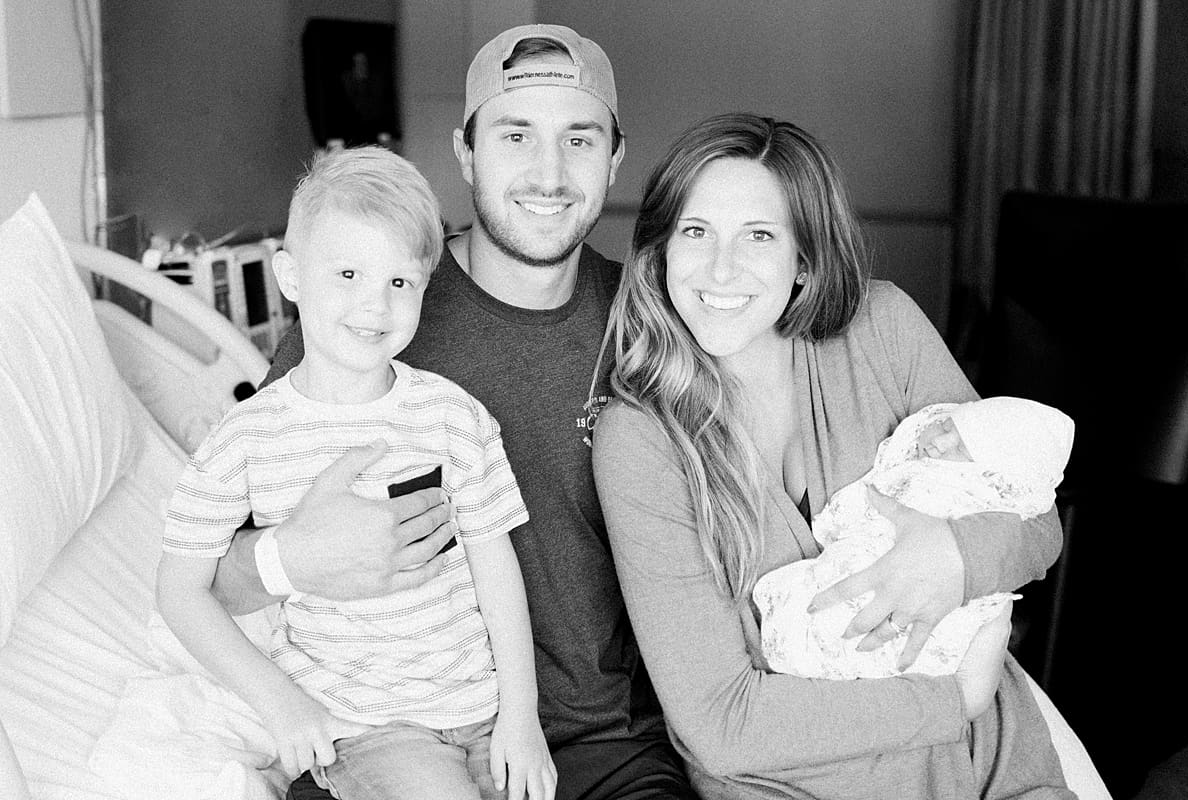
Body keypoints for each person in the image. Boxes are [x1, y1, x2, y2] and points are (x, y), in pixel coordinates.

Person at [211, 24, 699, 800]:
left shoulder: (650, 324)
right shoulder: (376, 312)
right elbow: (217, 581)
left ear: (614, 159)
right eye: (515, 136)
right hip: (387, 741)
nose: (549, 172)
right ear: (466, 155)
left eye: (578, 138)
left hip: (603, 747)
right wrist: (291, 556)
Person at [592, 113, 1075, 798]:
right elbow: (719, 726)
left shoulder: (883, 328)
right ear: (661, 251)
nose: (720, 268)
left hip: (987, 765)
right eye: (695, 233)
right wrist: (951, 700)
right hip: (803, 783)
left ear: (805, 261)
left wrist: (954, 557)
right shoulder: (639, 439)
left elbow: (1037, 520)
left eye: (759, 236)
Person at [156, 146, 555, 800]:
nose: (374, 305)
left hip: (480, 712)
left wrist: (522, 717)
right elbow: (180, 592)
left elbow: (495, 568)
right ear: (289, 275)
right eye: (347, 273)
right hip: (369, 727)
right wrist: (282, 704)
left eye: (399, 283)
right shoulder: (248, 437)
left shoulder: (453, 417)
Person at [756, 396, 1075, 680]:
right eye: (945, 426)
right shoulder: (929, 460)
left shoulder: (971, 488)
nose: (939, 442)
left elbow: (1046, 531)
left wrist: (961, 557)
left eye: (961, 448)